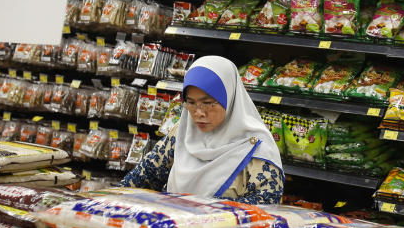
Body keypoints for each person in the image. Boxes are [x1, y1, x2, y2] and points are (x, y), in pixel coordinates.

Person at [121, 55, 283, 203]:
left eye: (208, 103)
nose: (198, 113)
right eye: (191, 103)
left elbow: (260, 217)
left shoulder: (258, 151)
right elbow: (140, 179)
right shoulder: (182, 133)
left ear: (230, 99)